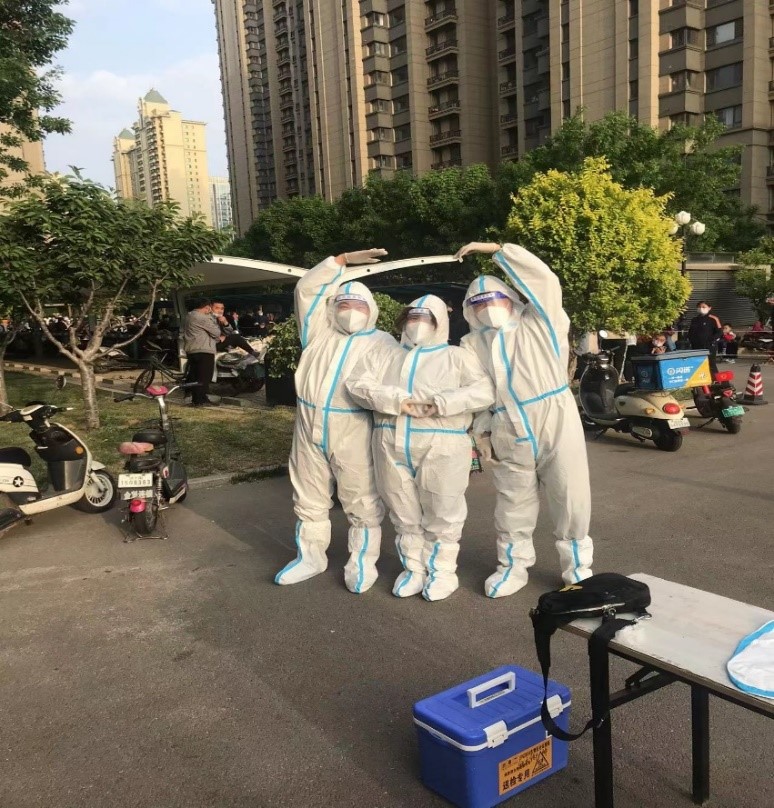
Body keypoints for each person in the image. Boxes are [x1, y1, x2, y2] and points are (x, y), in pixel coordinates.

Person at [455, 241, 594, 598]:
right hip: (507, 427)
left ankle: (578, 570)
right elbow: (478, 390)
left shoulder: (541, 322)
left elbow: (545, 281)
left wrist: (499, 250)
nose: (488, 308)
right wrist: (481, 432)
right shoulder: (472, 344)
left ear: (511, 299)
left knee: (571, 495)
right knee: (512, 502)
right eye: (479, 303)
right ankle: (512, 566)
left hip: (555, 416)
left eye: (495, 299)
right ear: (470, 310)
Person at [346, 296, 495, 601]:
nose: (417, 324)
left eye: (426, 318)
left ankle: (442, 572)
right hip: (390, 440)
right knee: (403, 511)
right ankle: (414, 569)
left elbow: (484, 391)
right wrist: (396, 400)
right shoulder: (386, 355)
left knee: (443, 511)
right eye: (412, 318)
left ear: (440, 322)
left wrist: (440, 403)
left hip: (442, 442)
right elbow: (357, 384)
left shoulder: (456, 356)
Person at [275, 248, 397, 593]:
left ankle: (362, 561)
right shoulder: (318, 334)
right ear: (332, 309)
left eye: (359, 306)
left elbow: (394, 387)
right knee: (308, 494)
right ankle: (310, 557)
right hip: (307, 424)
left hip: (355, 427)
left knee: (361, 498)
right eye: (344, 304)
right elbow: (306, 290)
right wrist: (340, 261)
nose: (351, 311)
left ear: (371, 310)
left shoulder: (384, 343)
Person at [183, 297, 223, 407]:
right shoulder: (202, 317)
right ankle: (199, 401)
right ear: (206, 307)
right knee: (204, 377)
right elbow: (216, 332)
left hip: (192, 349)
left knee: (196, 375)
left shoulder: (189, 315)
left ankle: (199, 398)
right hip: (203, 350)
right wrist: (212, 318)